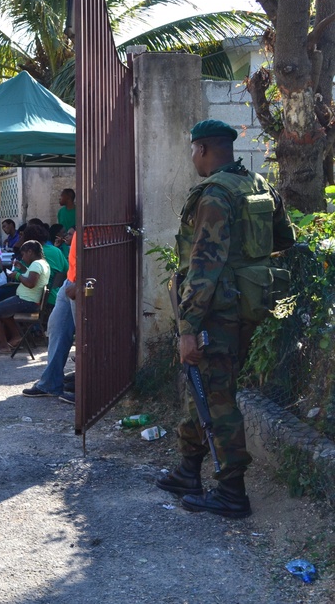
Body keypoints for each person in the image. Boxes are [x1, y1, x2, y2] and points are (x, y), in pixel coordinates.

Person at [156, 119, 294, 519]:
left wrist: (187, 328)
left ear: (202, 149)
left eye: (192, 151)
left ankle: (232, 492)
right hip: (248, 306)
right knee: (207, 387)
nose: (193, 158)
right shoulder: (260, 186)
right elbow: (284, 240)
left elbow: (203, 267)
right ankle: (188, 470)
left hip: (215, 312)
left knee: (217, 398)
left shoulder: (214, 194)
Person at [22, 231, 78, 398]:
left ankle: (86, 390)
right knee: (56, 330)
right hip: (70, 281)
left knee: (84, 338)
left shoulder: (94, 215)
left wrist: (80, 282)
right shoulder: (84, 215)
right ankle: (50, 383)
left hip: (80, 283)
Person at [0, 240, 50, 353]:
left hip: (26, 301)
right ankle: (16, 337)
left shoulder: (36, 264)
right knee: (4, 312)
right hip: (30, 301)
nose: (23, 257)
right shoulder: (43, 263)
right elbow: (32, 276)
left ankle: (3, 345)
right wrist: (23, 269)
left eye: (24, 254)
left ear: (30, 252)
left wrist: (17, 275)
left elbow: (30, 283)